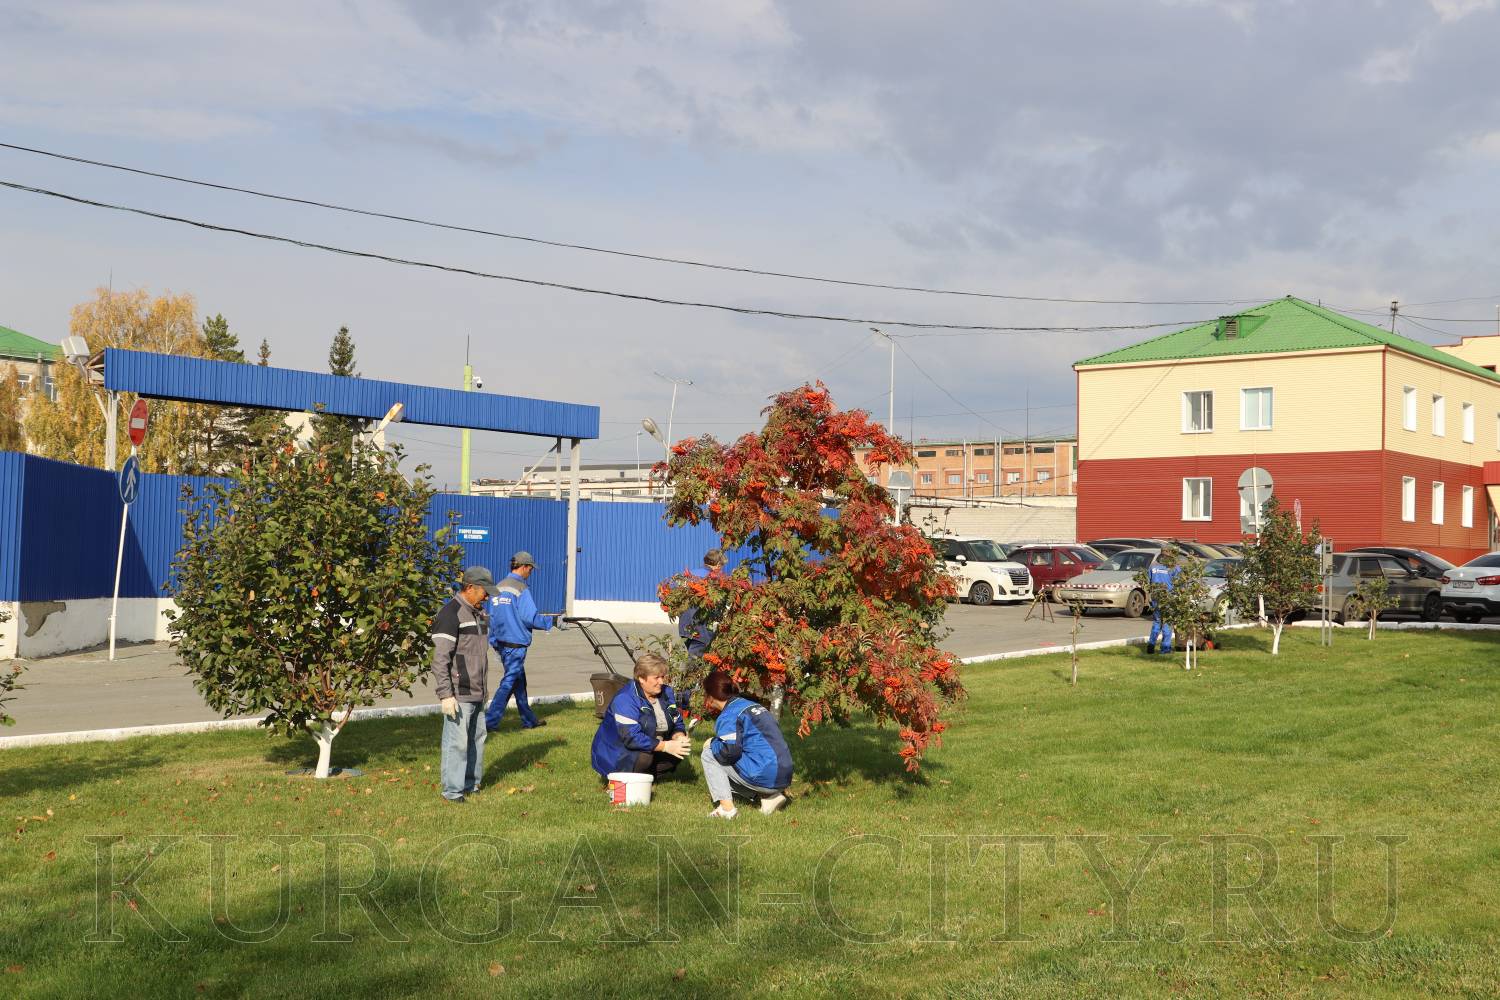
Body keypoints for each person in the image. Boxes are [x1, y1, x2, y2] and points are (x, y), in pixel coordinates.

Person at [432, 566, 501, 803]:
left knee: (477, 741)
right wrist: (445, 695)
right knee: (457, 744)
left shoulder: (479, 614)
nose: (487, 597)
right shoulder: (450, 614)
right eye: (484, 592)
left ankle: (471, 784)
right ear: (470, 587)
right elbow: (440, 659)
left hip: (478, 692)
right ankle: (452, 792)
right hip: (458, 693)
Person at [698, 670, 793, 819]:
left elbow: (729, 752)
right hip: (785, 775)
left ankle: (726, 809)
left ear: (710, 696)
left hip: (766, 774)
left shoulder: (729, 714)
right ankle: (769, 797)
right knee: (739, 752)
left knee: (710, 753)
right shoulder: (753, 705)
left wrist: (712, 742)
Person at [485, 550, 562, 732]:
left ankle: (529, 720)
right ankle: (488, 722)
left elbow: (492, 617)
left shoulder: (498, 587)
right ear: (524, 567)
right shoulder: (521, 588)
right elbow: (530, 618)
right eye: (531, 568)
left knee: (519, 682)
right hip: (516, 645)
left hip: (502, 644)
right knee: (509, 682)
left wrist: (494, 642)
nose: (531, 572)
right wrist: (553, 621)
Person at [590, 653, 692, 779]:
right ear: (641, 679)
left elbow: (676, 721)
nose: (661, 682)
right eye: (656, 678)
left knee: (680, 750)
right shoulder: (625, 699)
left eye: (662, 677)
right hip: (615, 753)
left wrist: (679, 736)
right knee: (645, 756)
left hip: (649, 744)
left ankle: (646, 779)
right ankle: (623, 779)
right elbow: (632, 738)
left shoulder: (667, 692)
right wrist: (665, 746)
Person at [677, 549, 727, 660]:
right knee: (696, 661)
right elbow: (719, 602)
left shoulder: (689, 574)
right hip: (701, 627)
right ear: (718, 564)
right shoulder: (713, 578)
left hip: (685, 625)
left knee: (696, 657)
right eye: (721, 566)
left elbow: (673, 596)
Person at [1146, 558, 1181, 655]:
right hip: (1168, 599)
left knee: (1157, 622)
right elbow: (1180, 584)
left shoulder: (1153, 567)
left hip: (1156, 598)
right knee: (1167, 622)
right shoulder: (1174, 568)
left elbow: (1148, 582)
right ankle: (1165, 649)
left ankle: (1151, 645)